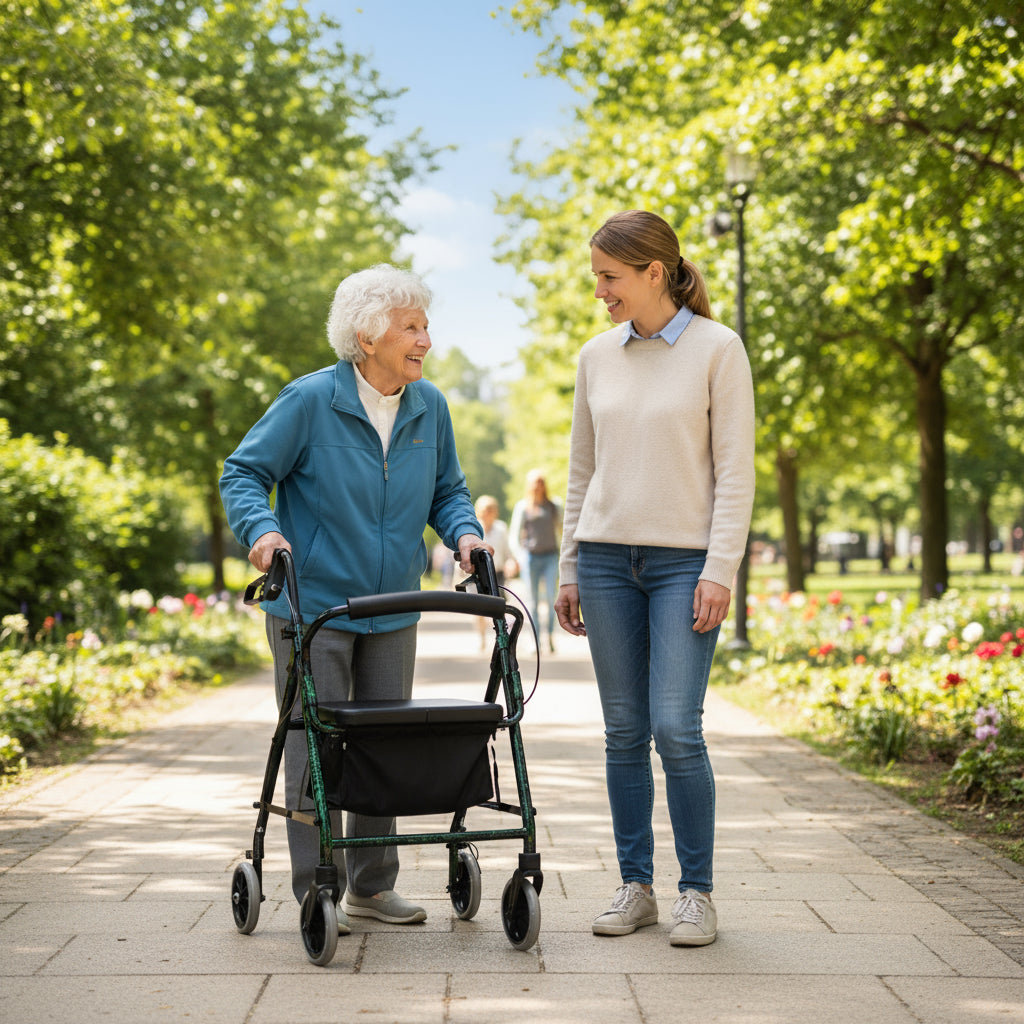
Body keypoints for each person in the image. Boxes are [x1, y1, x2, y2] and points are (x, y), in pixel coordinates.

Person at [219, 264, 490, 936]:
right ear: (367, 337)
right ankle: (321, 884)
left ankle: (373, 885)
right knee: (316, 748)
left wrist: (466, 534)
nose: (426, 338)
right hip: (314, 610)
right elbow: (244, 472)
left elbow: (448, 490)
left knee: (384, 747)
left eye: (425, 325)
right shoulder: (310, 401)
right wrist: (264, 531)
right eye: (411, 327)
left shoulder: (429, 406)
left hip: (391, 607)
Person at [553, 210, 755, 948]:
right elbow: (583, 470)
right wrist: (571, 566)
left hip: (682, 566)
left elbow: (736, 471)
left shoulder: (717, 350)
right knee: (623, 731)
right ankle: (634, 886)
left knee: (677, 729)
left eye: (609, 277)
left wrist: (720, 569)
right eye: (596, 277)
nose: (600, 290)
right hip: (607, 560)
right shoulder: (594, 357)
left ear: (653, 273)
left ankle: (695, 893)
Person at [509, 469, 562, 652]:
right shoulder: (523, 507)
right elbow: (514, 536)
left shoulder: (554, 506)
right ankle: (536, 640)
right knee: (531, 600)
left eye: (540, 482)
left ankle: (550, 637)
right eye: (534, 482)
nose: (537, 485)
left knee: (550, 597)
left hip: (550, 556)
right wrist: (519, 557)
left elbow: (562, 530)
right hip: (530, 557)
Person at [473, 494, 517, 648]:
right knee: (478, 608)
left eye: (491, 510)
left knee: (499, 606)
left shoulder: (501, 528)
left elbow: (507, 551)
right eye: (485, 510)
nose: (488, 513)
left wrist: (511, 562)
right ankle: (481, 636)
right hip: (479, 574)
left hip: (497, 573)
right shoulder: (474, 528)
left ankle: (500, 638)